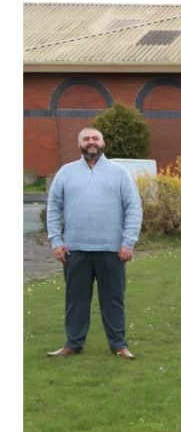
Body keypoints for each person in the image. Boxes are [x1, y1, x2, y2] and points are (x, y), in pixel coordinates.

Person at [45, 126, 143, 359]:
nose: (91, 142)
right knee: (75, 301)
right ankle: (73, 343)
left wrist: (128, 242)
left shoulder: (120, 173)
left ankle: (118, 345)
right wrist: (56, 241)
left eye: (95, 138)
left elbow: (133, 208)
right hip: (75, 250)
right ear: (79, 144)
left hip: (112, 251)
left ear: (102, 142)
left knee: (113, 300)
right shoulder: (66, 173)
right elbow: (53, 208)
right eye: (86, 139)